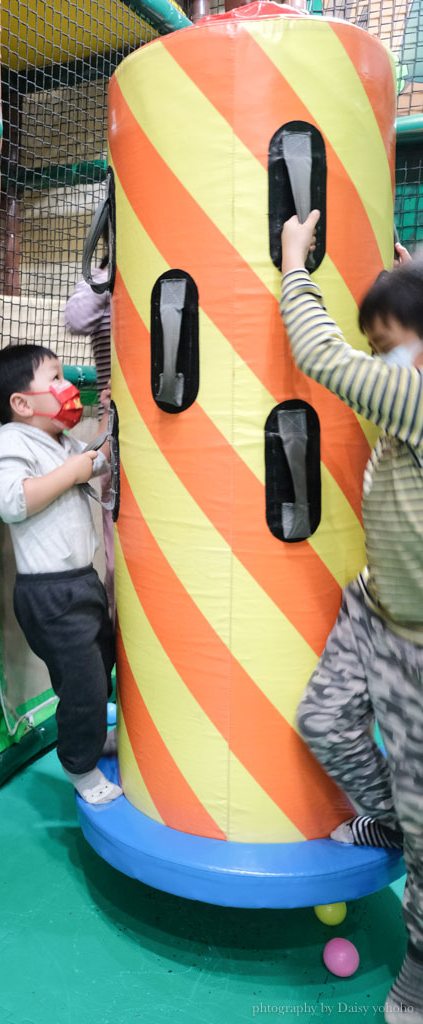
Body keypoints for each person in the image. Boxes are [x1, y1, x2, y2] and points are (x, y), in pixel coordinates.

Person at [280, 211, 423, 1024]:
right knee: (323, 718)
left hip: (416, 649)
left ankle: (419, 966)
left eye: (389, 343)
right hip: (373, 609)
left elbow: (319, 356)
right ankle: (389, 824)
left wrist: (295, 266)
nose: (382, 361)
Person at [0, 343, 122, 805]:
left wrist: (110, 425)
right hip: (50, 595)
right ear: (21, 404)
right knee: (85, 684)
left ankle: (92, 737)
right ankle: (79, 765)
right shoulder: (12, 441)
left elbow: (97, 462)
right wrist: (74, 472)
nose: (66, 386)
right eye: (54, 377)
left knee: (102, 667)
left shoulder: (60, 440)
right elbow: (12, 501)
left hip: (83, 582)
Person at [65, 255, 115, 615]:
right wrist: (111, 277)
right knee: (118, 552)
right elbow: (77, 319)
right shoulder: (101, 279)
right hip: (117, 420)